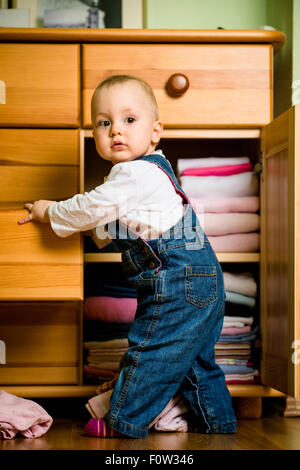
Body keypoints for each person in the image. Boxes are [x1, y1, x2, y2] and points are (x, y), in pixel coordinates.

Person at [18, 75, 236, 438]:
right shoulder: (153, 172)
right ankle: (219, 424)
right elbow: (113, 225)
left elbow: (90, 208)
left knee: (151, 352)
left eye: (129, 120)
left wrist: (48, 211)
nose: (116, 130)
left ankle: (123, 419)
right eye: (104, 123)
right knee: (195, 362)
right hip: (205, 281)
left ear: (155, 131)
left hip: (178, 285)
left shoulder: (132, 174)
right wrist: (95, 231)